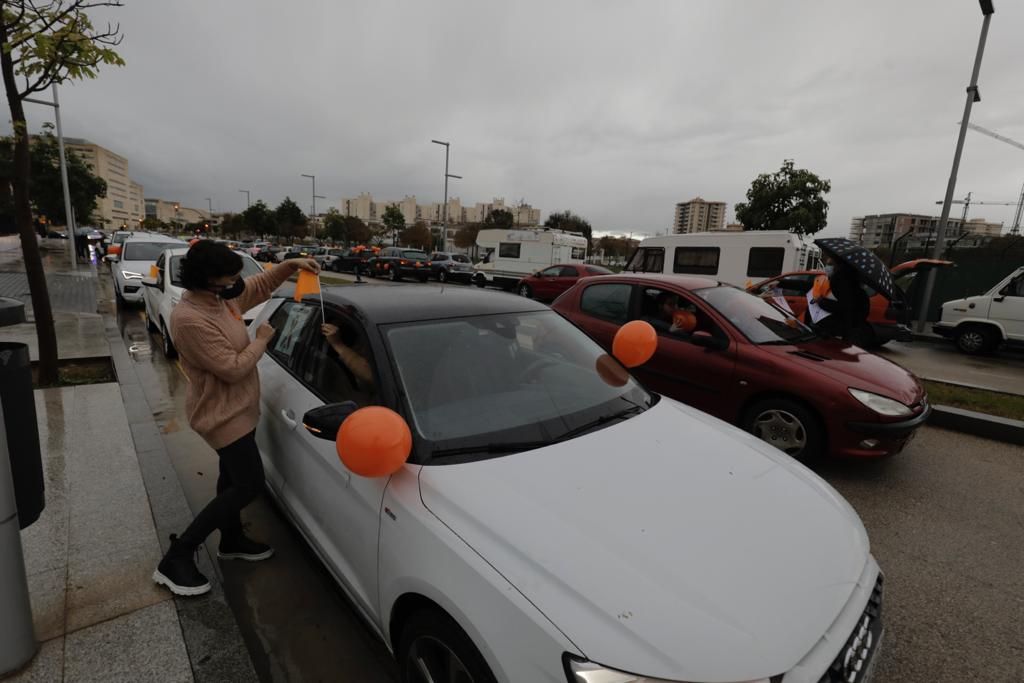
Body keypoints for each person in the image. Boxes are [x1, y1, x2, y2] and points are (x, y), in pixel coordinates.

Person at [152, 240, 319, 596]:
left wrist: (291, 265)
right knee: (248, 484)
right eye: (227, 277)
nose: (235, 282)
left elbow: (258, 286)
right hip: (220, 414)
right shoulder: (190, 319)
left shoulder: (220, 301)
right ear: (206, 279)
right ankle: (178, 556)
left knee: (230, 481)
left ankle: (231, 540)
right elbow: (231, 369)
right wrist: (261, 339)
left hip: (240, 409)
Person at [812, 255, 870, 344]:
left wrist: (821, 301)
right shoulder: (856, 286)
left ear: (839, 265)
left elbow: (843, 306)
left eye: (830, 264)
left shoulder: (841, 281)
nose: (827, 267)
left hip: (843, 331)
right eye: (827, 264)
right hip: (850, 329)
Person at [321, 323, 374, 388]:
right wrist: (338, 345)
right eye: (359, 347)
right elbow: (369, 375)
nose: (364, 350)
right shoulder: (338, 373)